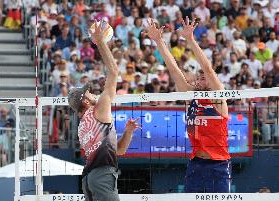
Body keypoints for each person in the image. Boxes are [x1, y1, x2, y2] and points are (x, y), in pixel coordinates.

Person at [145, 17, 231, 193]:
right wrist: (159, 41)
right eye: (198, 76)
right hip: (196, 163)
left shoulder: (218, 97)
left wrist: (190, 39)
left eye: (204, 76)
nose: (201, 76)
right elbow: (174, 69)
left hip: (219, 164)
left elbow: (207, 68)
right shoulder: (190, 97)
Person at [68, 20, 139, 201]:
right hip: (101, 176)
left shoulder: (82, 124)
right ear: (85, 100)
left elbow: (120, 151)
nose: (92, 93)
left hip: (90, 179)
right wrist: (101, 42)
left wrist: (128, 132)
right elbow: (114, 72)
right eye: (89, 92)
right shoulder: (98, 109)